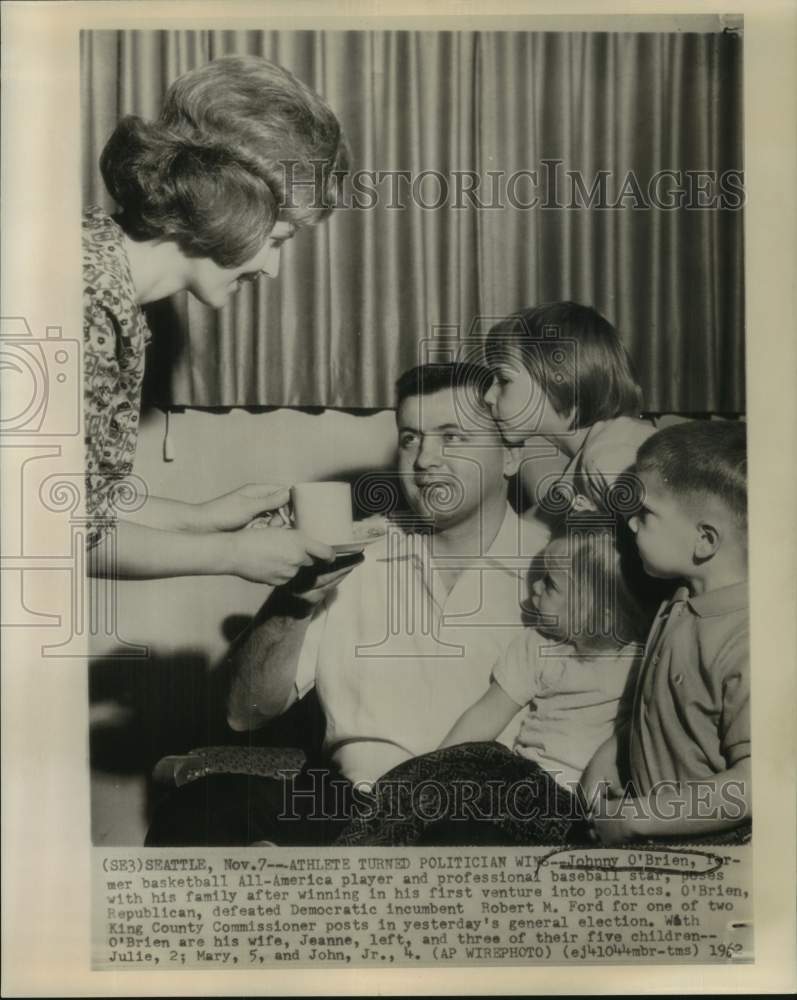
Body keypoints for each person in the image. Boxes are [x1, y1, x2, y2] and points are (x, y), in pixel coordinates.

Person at [145, 361, 551, 846]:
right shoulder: (356, 549)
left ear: (510, 456)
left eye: (453, 437)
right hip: (351, 802)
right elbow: (244, 712)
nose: (424, 460)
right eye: (410, 438)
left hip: (487, 814)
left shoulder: (558, 567)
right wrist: (295, 601)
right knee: (200, 811)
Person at [84, 54, 350, 583]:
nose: (272, 269)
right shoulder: (86, 305)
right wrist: (229, 557)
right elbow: (43, 535)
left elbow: (84, 501)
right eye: (275, 241)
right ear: (224, 205)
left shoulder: (112, 288)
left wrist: (204, 519)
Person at [334, 514, 654, 846]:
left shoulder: (641, 659)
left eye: (551, 584)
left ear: (599, 613)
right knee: (456, 772)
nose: (534, 587)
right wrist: (438, 768)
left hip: (577, 804)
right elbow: (487, 713)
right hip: (526, 780)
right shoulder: (538, 645)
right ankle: (359, 849)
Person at [582, 420, 750, 844]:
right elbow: (670, 710)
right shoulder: (678, 602)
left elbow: (755, 784)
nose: (632, 525)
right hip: (656, 832)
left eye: (645, 514)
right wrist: (615, 752)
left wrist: (638, 818)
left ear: (704, 540)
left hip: (715, 850)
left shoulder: (747, 642)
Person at [483, 301, 658, 521]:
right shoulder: (587, 461)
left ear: (561, 380)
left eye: (504, 380)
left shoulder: (610, 459)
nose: (488, 396)